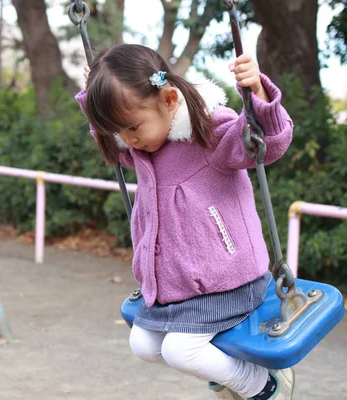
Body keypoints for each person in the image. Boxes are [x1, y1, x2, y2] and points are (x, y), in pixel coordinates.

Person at [74, 44, 295, 400]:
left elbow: (266, 142)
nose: (128, 140)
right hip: (176, 287)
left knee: (181, 350)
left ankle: (264, 387)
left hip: (229, 280)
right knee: (143, 345)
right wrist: (94, 102)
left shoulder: (208, 134)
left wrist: (257, 94)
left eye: (132, 126)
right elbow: (115, 144)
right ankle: (226, 372)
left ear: (170, 100)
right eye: (119, 130)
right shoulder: (141, 148)